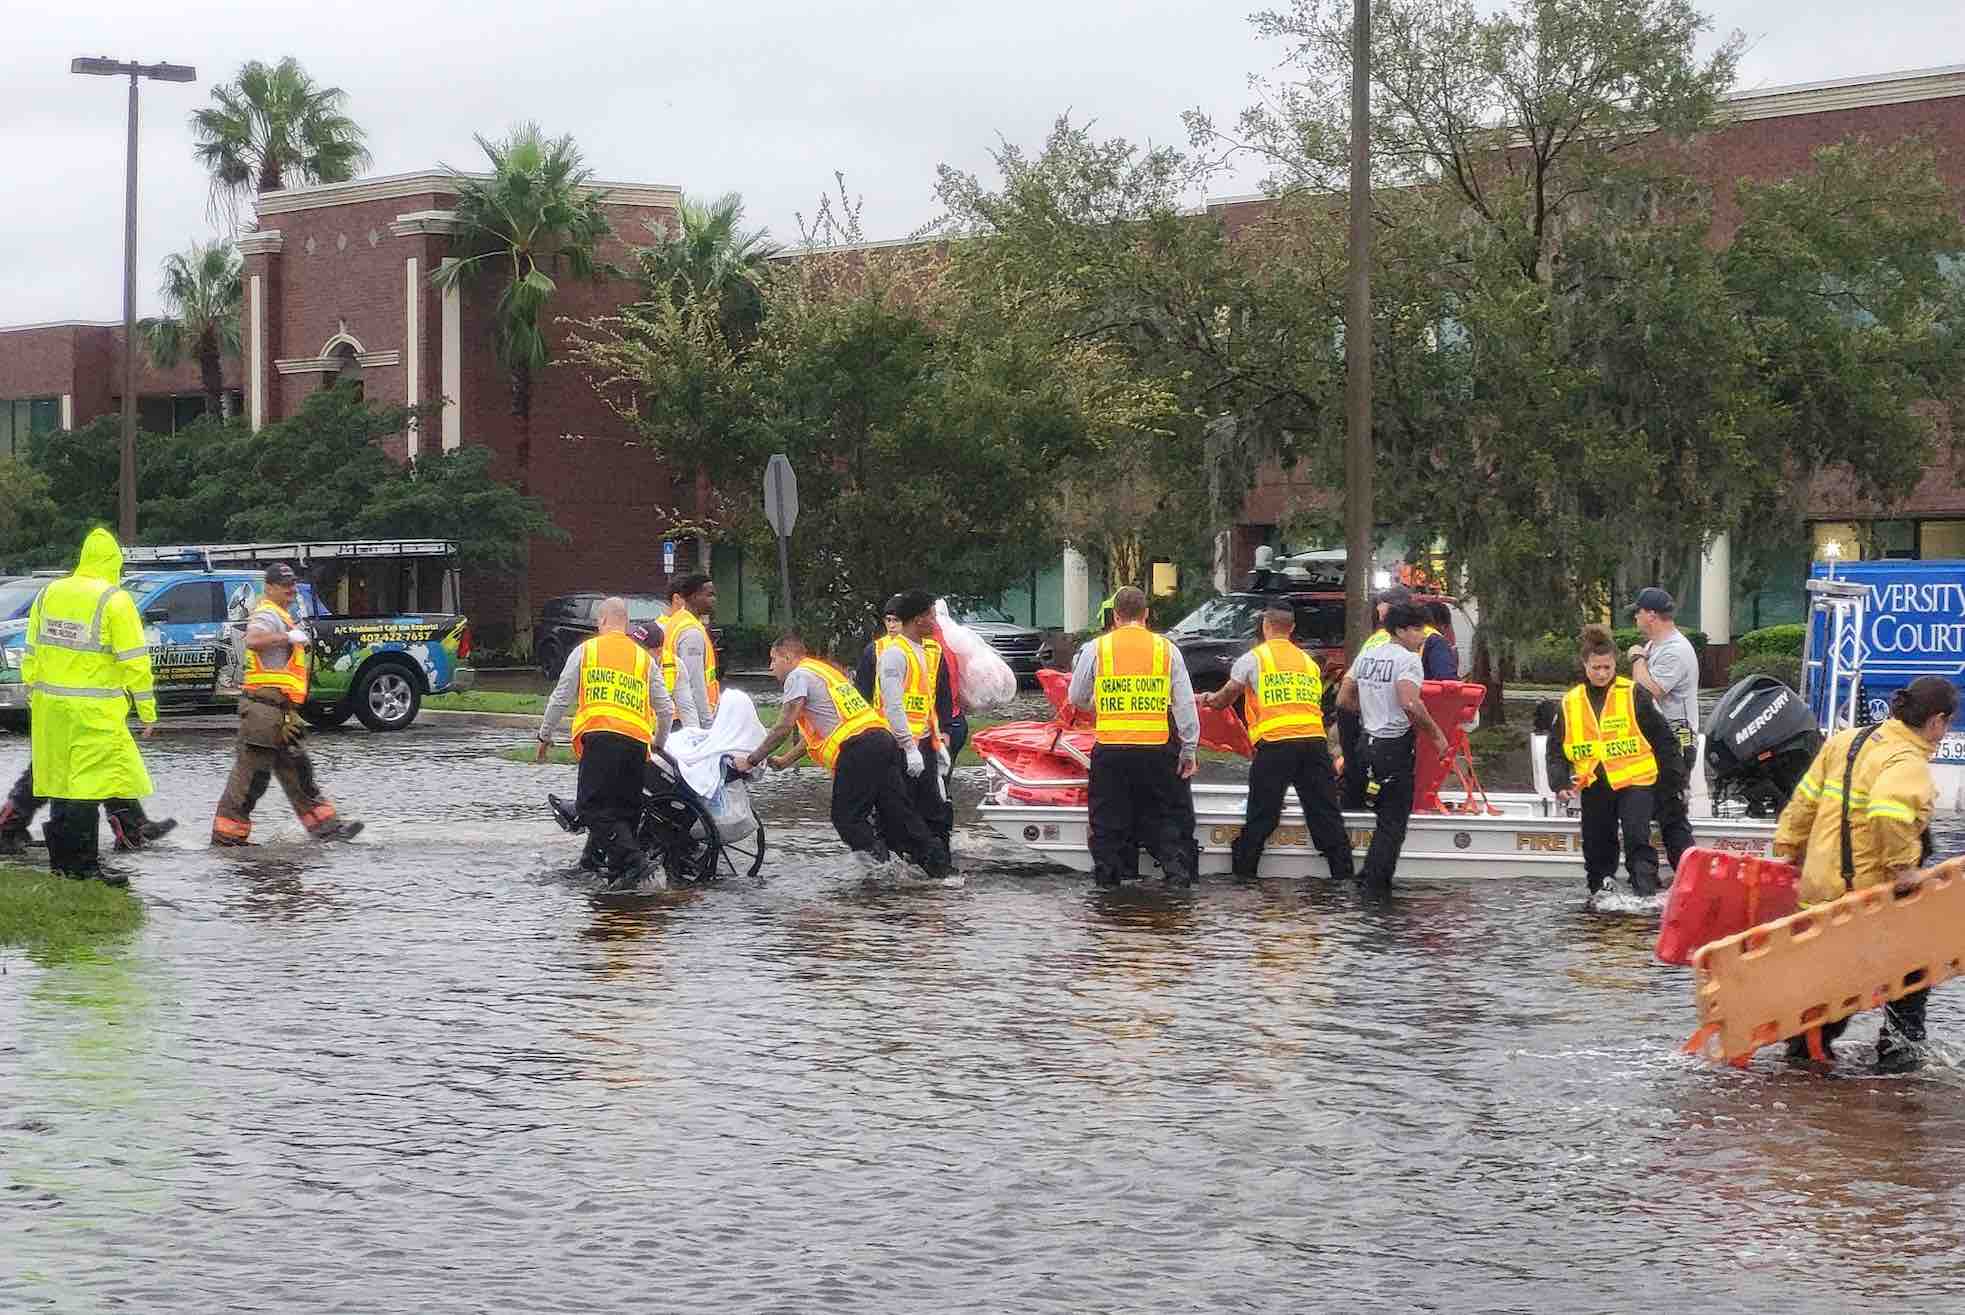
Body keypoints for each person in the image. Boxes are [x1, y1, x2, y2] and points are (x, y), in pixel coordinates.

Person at [1771, 676, 1959, 1073]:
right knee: (1912, 971)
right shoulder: (1907, 761)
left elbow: (1805, 798)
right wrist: (1904, 869)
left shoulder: (1849, 740)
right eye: (1946, 725)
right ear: (1937, 721)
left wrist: (1787, 847)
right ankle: (1901, 1060)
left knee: (1832, 982)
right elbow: (1889, 813)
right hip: (1864, 895)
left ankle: (1802, 1058)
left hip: (1820, 886)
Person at [16, 528, 169, 884]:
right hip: (93, 711)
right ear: (113, 561)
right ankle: (85, 868)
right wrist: (147, 710)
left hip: (49, 708)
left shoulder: (49, 592)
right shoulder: (114, 600)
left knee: (62, 784)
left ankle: (61, 865)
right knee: (87, 787)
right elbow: (134, 661)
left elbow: (31, 649)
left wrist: (33, 690)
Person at [733, 634, 949, 877]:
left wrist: (751, 760)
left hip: (858, 749)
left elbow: (783, 726)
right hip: (881, 740)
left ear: (788, 657)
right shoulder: (822, 671)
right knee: (897, 813)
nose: (771, 667)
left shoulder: (797, 676)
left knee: (846, 819)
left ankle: (884, 871)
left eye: (773, 660)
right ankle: (938, 867)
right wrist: (785, 760)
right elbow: (822, 730)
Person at [211, 563, 364, 847]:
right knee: (251, 778)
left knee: (300, 773)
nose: (292, 589)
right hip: (262, 711)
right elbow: (254, 640)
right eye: (285, 585)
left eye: (293, 584)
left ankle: (328, 831)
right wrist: (287, 637)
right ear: (269, 588)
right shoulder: (267, 613)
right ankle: (227, 839)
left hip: (281, 714)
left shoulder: (282, 614)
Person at [1201, 604, 1353, 881]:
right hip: (1313, 744)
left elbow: (1225, 699)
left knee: (1263, 815)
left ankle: (1244, 877)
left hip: (1276, 746)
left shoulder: (1253, 659)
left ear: (1265, 626)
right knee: (1326, 814)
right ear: (1292, 629)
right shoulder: (1308, 663)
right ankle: (1343, 877)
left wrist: (1207, 699)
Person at [1067, 586, 1199, 887]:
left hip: (1112, 748)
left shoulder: (1097, 648)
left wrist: (1097, 703)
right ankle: (1177, 880)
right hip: (1156, 749)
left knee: (1108, 822)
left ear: (1115, 615)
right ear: (1146, 615)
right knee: (1165, 816)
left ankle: (1110, 887)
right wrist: (1188, 750)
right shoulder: (1167, 649)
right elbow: (1185, 704)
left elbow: (1076, 696)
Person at [538, 596, 674, 886]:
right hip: (637, 743)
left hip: (601, 739)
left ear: (601, 621)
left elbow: (561, 696)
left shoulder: (586, 650)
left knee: (591, 809)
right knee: (622, 811)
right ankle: (594, 865)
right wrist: (657, 742)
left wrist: (545, 734)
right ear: (625, 623)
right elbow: (666, 708)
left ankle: (636, 862)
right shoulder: (643, 659)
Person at [1543, 623, 1679, 901]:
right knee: (1596, 845)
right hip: (1594, 783)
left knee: (1636, 837)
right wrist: (1558, 783)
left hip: (1636, 781)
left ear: (1615, 664)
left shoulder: (1634, 694)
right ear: (1585, 665)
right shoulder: (1570, 702)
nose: (1602, 673)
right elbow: (1556, 749)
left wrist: (1673, 784)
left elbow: (1664, 739)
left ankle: (1645, 893)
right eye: (1596, 668)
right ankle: (1599, 892)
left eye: (1607, 667)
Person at [1337, 603, 1452, 894]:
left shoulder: (1368, 655)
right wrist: (1437, 735)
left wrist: (1368, 714)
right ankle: (1375, 887)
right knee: (1392, 823)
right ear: (1400, 630)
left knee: (1381, 816)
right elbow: (1410, 702)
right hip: (1393, 746)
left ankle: (1366, 877)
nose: (1423, 636)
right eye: (1417, 629)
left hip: (1367, 744)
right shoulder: (1408, 660)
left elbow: (1343, 699)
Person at [869, 591, 954, 852]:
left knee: (933, 808)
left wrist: (938, 741)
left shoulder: (925, 650)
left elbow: (931, 700)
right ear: (917, 620)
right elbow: (893, 705)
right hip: (899, 746)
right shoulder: (895, 653)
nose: (935, 621)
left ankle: (931, 864)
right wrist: (908, 747)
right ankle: (900, 864)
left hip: (924, 743)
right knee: (899, 810)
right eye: (930, 615)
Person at [1626, 586, 1698, 873]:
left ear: (1651, 615)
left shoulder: (1676, 651)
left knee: (1671, 812)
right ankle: (1652, 873)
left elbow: (1649, 690)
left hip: (1676, 739)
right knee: (1652, 806)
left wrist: (1636, 659)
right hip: (1655, 740)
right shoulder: (1656, 646)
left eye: (1638, 612)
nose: (1635, 618)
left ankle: (1688, 873)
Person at [0, 766, 175, 856]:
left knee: (101, 765)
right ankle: (7, 828)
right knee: (50, 768)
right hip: (65, 714)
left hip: (78, 714)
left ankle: (133, 826)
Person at [661, 573, 720, 732]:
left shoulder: (676, 621)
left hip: (674, 713)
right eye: (709, 595)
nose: (713, 599)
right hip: (687, 720)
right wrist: (706, 723)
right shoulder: (691, 632)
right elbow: (694, 683)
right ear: (694, 597)